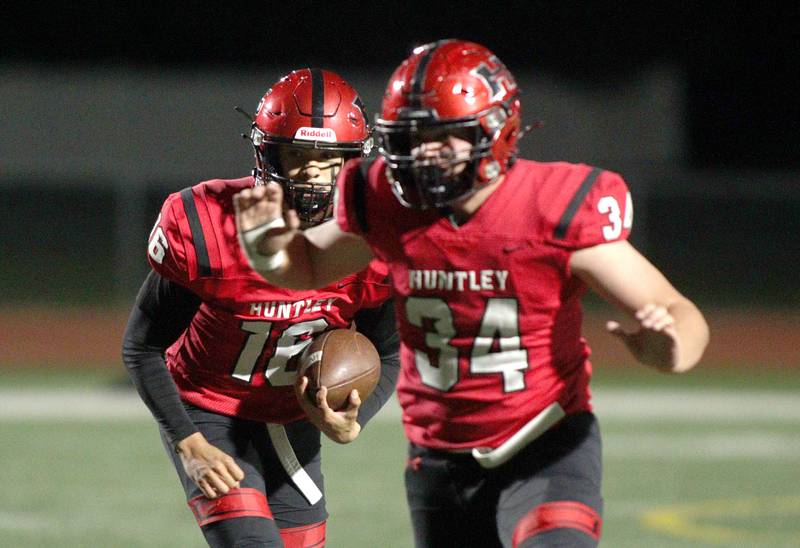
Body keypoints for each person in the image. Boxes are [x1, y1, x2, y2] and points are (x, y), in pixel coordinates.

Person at [233, 41, 709, 548]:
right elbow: (305, 266)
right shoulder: (384, 203)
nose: (423, 153)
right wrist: (265, 249)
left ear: (496, 130)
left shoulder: (551, 207)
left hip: (545, 441)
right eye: (411, 138)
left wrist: (672, 350)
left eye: (444, 137)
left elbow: (679, 312)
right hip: (438, 456)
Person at [121, 68, 400, 548]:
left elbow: (388, 352)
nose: (312, 173)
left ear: (353, 164)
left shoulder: (372, 239)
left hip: (293, 416)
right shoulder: (208, 223)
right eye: (297, 155)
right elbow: (142, 347)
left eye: (328, 159)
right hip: (208, 407)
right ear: (266, 155)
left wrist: (353, 417)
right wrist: (188, 444)